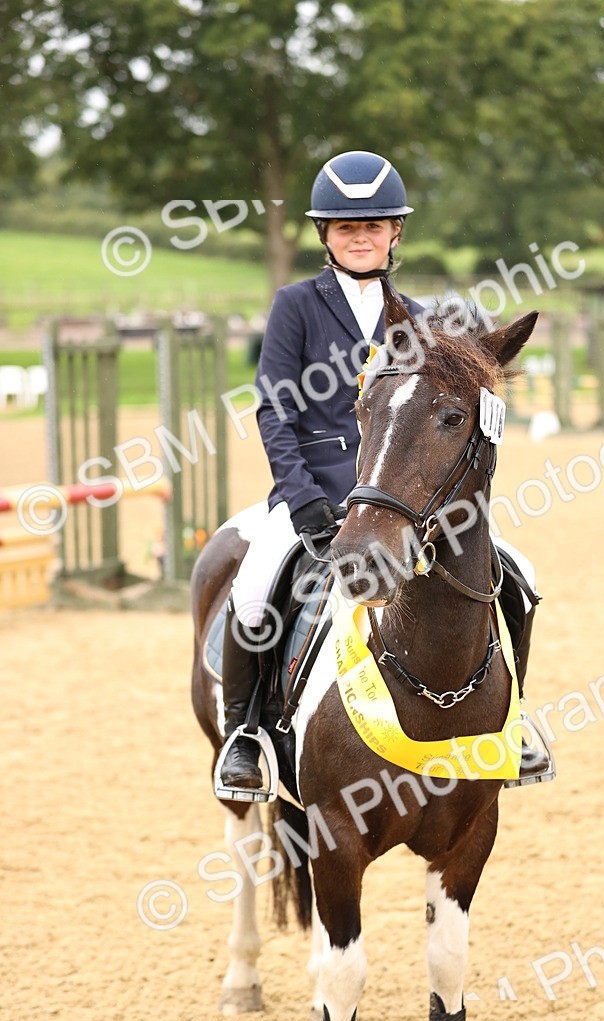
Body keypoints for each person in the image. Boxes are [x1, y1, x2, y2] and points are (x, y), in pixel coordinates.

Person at [219, 150, 424, 789]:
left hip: (396, 499)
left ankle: (508, 718)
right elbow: (275, 410)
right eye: (345, 228)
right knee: (254, 592)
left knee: (504, 573)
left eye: (373, 226)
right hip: (312, 492)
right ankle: (244, 734)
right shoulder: (296, 305)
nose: (360, 238)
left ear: (395, 233)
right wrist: (299, 496)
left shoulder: (416, 317)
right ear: (325, 236)